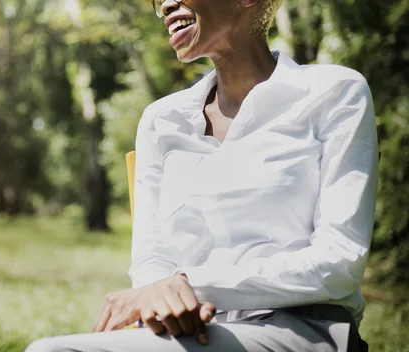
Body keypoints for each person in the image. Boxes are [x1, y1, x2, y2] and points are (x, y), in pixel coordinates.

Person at [26, 0, 378, 350]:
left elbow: (340, 259)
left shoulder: (335, 92)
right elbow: (153, 257)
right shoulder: (161, 120)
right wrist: (163, 299)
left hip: (302, 330)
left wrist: (190, 286)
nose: (165, 4)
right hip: (195, 330)